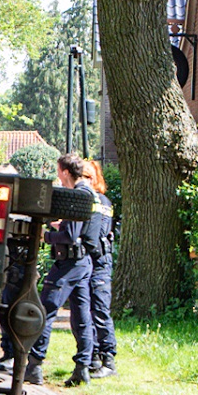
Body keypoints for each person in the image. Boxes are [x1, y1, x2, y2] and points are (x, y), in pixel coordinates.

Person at [25, 153, 94, 387]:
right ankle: (82, 367)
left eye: (58, 171)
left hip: (69, 264)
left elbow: (71, 235)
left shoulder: (78, 195)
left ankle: (34, 364)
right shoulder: (92, 194)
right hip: (83, 263)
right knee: (82, 316)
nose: (58, 176)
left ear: (65, 172)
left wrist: (47, 236)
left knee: (46, 310)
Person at [82, 157, 118, 377]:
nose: (84, 181)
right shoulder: (91, 200)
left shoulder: (101, 202)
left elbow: (98, 235)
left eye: (88, 177)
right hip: (89, 261)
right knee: (87, 311)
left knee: (100, 310)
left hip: (100, 262)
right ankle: (93, 358)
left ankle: (108, 360)